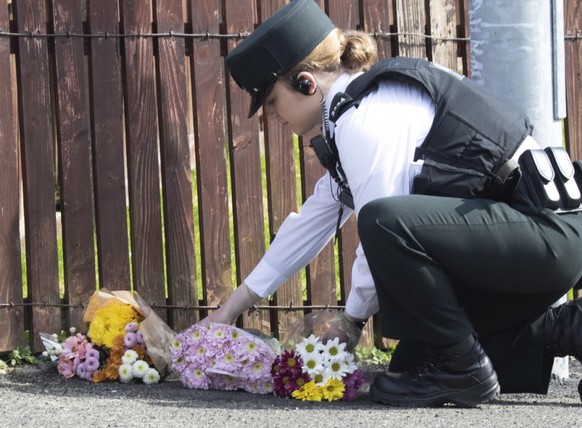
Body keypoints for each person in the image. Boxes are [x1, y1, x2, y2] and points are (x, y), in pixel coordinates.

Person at [202, 0, 582, 408]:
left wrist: (350, 321)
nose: (270, 116)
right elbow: (311, 223)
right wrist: (229, 311)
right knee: (413, 364)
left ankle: (463, 370)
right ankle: (570, 330)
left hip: (546, 237)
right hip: (524, 242)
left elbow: (382, 220)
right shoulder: (351, 112)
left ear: (306, 82)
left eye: (272, 101)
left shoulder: (367, 118)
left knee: (384, 222)